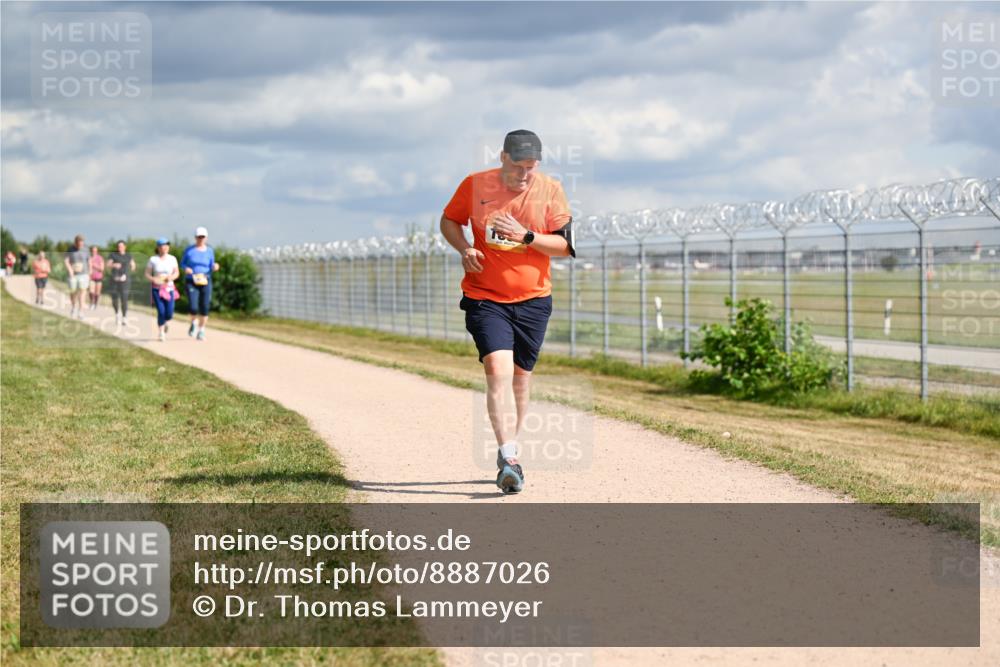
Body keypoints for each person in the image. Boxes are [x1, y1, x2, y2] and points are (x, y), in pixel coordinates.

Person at [439, 129, 575, 494]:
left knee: (520, 379)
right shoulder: (475, 185)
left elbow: (565, 247)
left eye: (531, 167)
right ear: (502, 158)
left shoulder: (550, 190)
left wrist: (526, 236)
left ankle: (510, 447)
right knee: (497, 369)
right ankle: (509, 456)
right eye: (518, 166)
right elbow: (449, 220)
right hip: (485, 296)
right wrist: (464, 249)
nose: (525, 174)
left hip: (533, 300)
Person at [181, 226, 220, 341]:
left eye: (203, 237)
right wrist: (186, 269)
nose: (201, 239)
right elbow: (182, 264)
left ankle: (201, 330)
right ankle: (193, 322)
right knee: (193, 306)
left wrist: (215, 266)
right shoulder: (189, 250)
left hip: (205, 280)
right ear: (195, 237)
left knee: (205, 306)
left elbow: (212, 264)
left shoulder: (209, 251)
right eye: (199, 237)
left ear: (206, 238)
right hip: (191, 280)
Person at [145, 238, 180, 342]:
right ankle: (161, 333)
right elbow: (147, 273)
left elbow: (177, 273)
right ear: (158, 247)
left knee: (169, 313)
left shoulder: (172, 259)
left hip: (169, 289)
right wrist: (153, 279)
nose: (164, 248)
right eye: (162, 246)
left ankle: (165, 322)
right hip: (157, 289)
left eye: (166, 245)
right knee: (161, 311)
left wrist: (171, 278)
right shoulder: (153, 259)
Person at [107, 240, 136, 325]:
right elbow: (108, 265)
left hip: (125, 281)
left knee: (124, 299)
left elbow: (133, 265)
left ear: (125, 247)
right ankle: (117, 314)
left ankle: (124, 317)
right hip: (114, 280)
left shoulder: (128, 255)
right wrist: (114, 265)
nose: (120, 248)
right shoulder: (113, 255)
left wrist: (132, 267)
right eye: (118, 246)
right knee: (115, 298)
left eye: (121, 246)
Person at [64, 235, 90, 319]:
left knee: (82, 292)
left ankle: (81, 311)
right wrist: (70, 270)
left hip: (84, 273)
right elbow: (66, 261)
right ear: (75, 243)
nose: (80, 246)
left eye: (82, 244)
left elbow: (89, 260)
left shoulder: (86, 249)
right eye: (79, 244)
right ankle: (73, 307)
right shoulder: (70, 249)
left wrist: (90, 271)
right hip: (73, 275)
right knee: (73, 292)